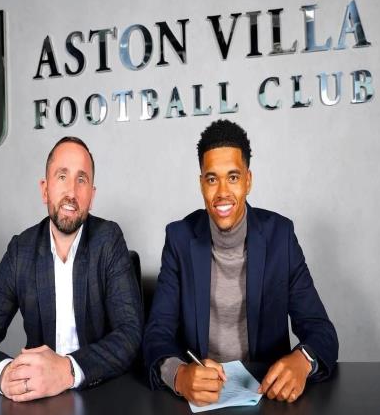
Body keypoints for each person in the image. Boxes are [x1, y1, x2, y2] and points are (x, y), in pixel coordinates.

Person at [143, 119, 338, 406]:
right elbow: (156, 334)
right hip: (203, 399)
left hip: (267, 395)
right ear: (201, 184)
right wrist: (180, 375)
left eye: (233, 177)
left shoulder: (280, 237)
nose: (222, 191)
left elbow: (321, 330)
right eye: (212, 179)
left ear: (248, 180)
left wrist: (303, 360)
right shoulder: (179, 239)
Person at [0, 136, 143, 402]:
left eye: (82, 179)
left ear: (92, 196)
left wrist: (67, 370)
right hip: (39, 399)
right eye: (62, 176)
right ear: (45, 190)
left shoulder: (108, 239)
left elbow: (130, 334)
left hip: (98, 394)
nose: (72, 192)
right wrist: (5, 376)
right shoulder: (21, 251)